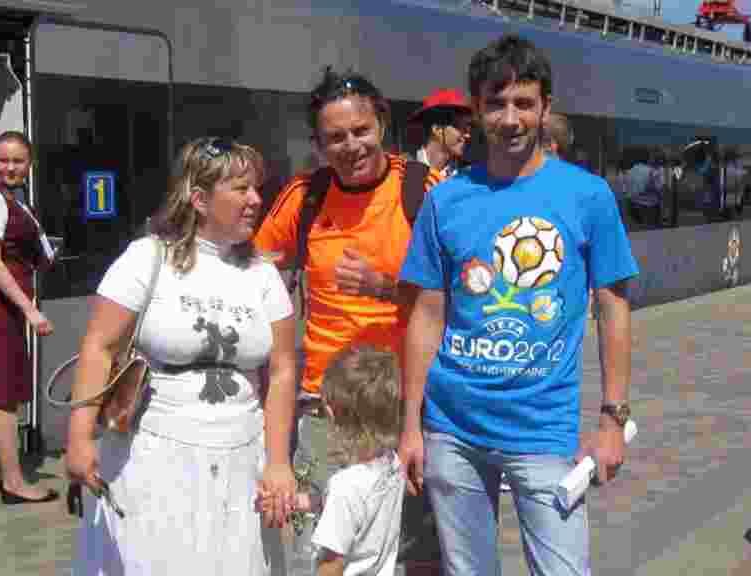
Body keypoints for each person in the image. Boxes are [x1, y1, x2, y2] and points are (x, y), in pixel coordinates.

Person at [398, 33, 639, 576]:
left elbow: (614, 306)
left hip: (542, 431)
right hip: (451, 430)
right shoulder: (445, 200)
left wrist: (612, 419)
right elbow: (427, 316)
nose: (510, 119)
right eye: (496, 103)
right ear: (477, 109)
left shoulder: (587, 195)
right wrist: (411, 425)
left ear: (545, 108)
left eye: (524, 103)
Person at [66, 137, 298, 574]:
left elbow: (283, 371)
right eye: (241, 189)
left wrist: (279, 462)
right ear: (199, 198)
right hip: (153, 457)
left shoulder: (263, 273)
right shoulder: (148, 257)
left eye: (256, 188)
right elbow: (98, 346)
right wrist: (79, 438)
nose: (256, 199)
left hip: (240, 459)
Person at [253, 67, 443, 574]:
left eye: (361, 131)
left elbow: (465, 294)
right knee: (324, 546)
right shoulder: (304, 197)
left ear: (382, 123)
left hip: (410, 404)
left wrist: (384, 285)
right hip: (326, 407)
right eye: (335, 137)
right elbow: (253, 269)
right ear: (317, 144)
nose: (351, 146)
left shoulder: (427, 191)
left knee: (413, 547)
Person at [0, 131, 59, 504]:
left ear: (29, 163)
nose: (10, 167)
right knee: (4, 396)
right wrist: (30, 310)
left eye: (17, 161)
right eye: (3, 160)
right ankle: (14, 483)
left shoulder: (10, 199)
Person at [257, 344, 405, 576]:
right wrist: (296, 501)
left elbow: (332, 564)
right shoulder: (391, 464)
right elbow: (351, 509)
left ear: (331, 412)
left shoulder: (345, 485)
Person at [408, 89, 474, 179]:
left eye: (468, 128)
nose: (467, 135)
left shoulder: (468, 175)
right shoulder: (402, 169)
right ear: (437, 129)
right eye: (460, 128)